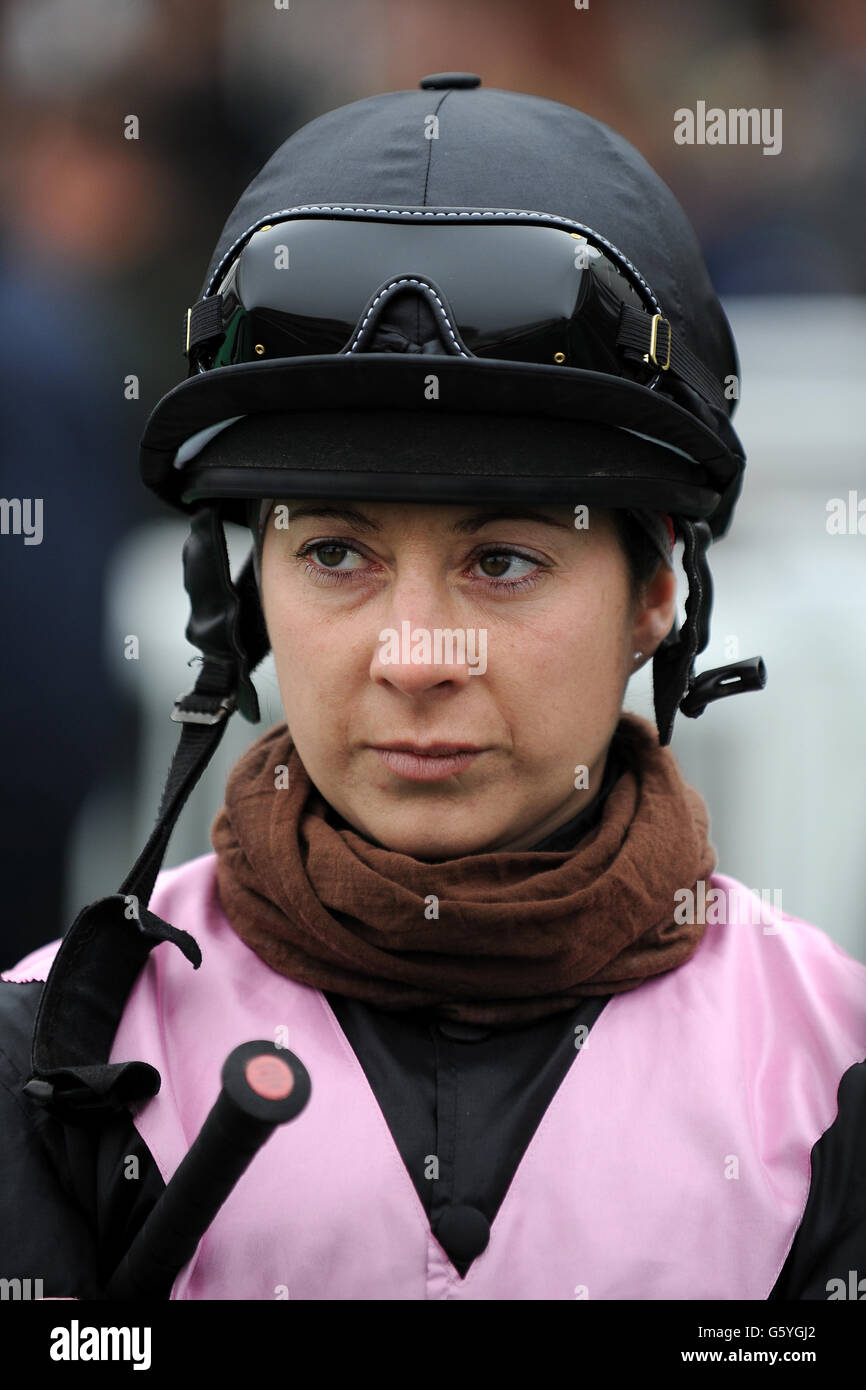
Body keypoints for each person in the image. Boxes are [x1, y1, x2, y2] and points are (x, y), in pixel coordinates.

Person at [1, 73, 864, 1303]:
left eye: (502, 561)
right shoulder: (51, 1052)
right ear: (239, 598)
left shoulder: (835, 1063)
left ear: (656, 591)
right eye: (335, 554)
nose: (414, 657)